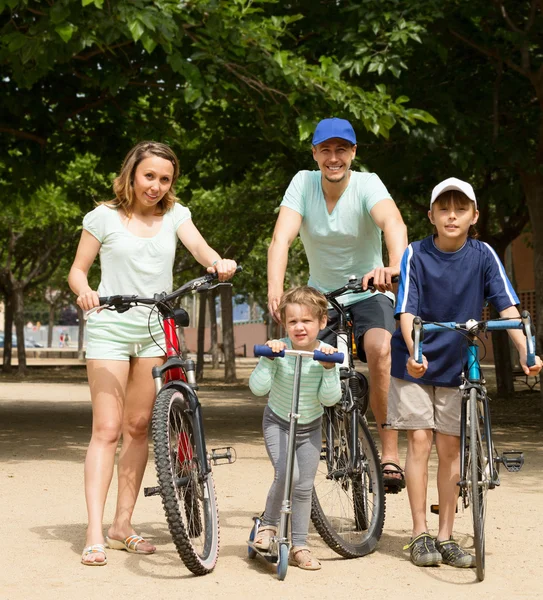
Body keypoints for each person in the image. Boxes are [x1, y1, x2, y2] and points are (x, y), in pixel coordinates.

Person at [68, 141, 237, 566]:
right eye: (150, 176)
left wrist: (219, 262)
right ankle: (94, 531)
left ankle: (122, 525)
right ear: (132, 174)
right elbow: (78, 270)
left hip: (153, 328)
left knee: (140, 427)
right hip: (109, 324)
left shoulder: (176, 215)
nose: (156, 186)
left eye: (165, 179)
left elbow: (200, 250)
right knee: (107, 429)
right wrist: (85, 292)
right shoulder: (103, 216)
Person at [389, 177, 542, 567]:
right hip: (415, 361)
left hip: (459, 359)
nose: (451, 215)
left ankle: (446, 536)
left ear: (474, 216)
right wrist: (415, 351)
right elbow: (407, 311)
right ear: (431, 216)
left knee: (451, 447)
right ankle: (419, 533)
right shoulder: (415, 254)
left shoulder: (484, 254)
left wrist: (527, 352)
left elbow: (509, 310)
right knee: (420, 442)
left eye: (460, 209)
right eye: (443, 208)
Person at [267, 117, 408, 493]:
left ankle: (390, 452)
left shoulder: (368, 183)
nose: (334, 158)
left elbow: (393, 223)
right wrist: (276, 291)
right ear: (314, 153)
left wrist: (393, 267)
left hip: (368, 289)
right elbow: (281, 239)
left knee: (379, 349)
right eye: (326, 150)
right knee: (307, 364)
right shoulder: (302, 182)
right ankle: (319, 437)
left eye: (341, 150)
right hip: (322, 298)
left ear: (353, 153)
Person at [249, 286, 342, 570]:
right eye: (292, 322)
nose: (299, 327)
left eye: (307, 321)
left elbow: (330, 399)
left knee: (303, 486)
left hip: (309, 426)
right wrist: (269, 358)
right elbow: (257, 389)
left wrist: (328, 369)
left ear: (322, 322)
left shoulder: (327, 354)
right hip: (278, 422)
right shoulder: (279, 348)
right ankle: (267, 526)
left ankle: (300, 544)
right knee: (287, 473)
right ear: (284, 323)